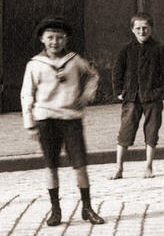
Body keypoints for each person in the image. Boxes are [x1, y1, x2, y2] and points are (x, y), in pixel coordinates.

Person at [21, 16, 106, 227]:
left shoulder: (75, 60)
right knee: (51, 167)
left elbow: (93, 76)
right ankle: (55, 210)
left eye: (59, 38)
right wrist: (29, 123)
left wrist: (86, 95)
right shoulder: (35, 65)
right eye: (50, 37)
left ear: (65, 40)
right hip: (46, 120)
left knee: (80, 166)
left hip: (71, 119)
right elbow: (26, 95)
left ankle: (87, 208)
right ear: (42, 39)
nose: (55, 42)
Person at [111, 12, 164, 180]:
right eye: (138, 28)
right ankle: (118, 168)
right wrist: (119, 91)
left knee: (152, 132)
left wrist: (160, 93)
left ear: (151, 29)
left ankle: (148, 167)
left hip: (152, 98)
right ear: (132, 30)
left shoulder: (159, 49)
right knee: (125, 132)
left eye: (145, 28)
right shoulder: (126, 50)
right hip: (131, 98)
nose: (142, 31)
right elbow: (117, 71)